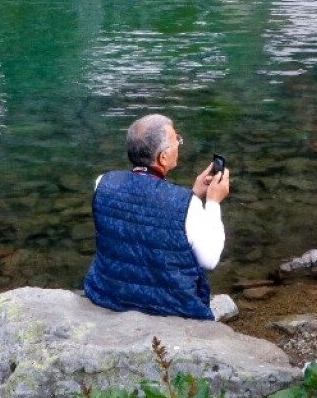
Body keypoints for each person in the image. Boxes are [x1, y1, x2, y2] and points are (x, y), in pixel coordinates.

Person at [83, 113, 231, 320]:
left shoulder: (103, 183)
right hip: (169, 307)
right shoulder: (188, 205)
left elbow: (146, 218)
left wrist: (194, 195)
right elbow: (210, 260)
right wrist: (213, 202)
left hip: (106, 293)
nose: (179, 144)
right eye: (176, 141)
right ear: (163, 157)